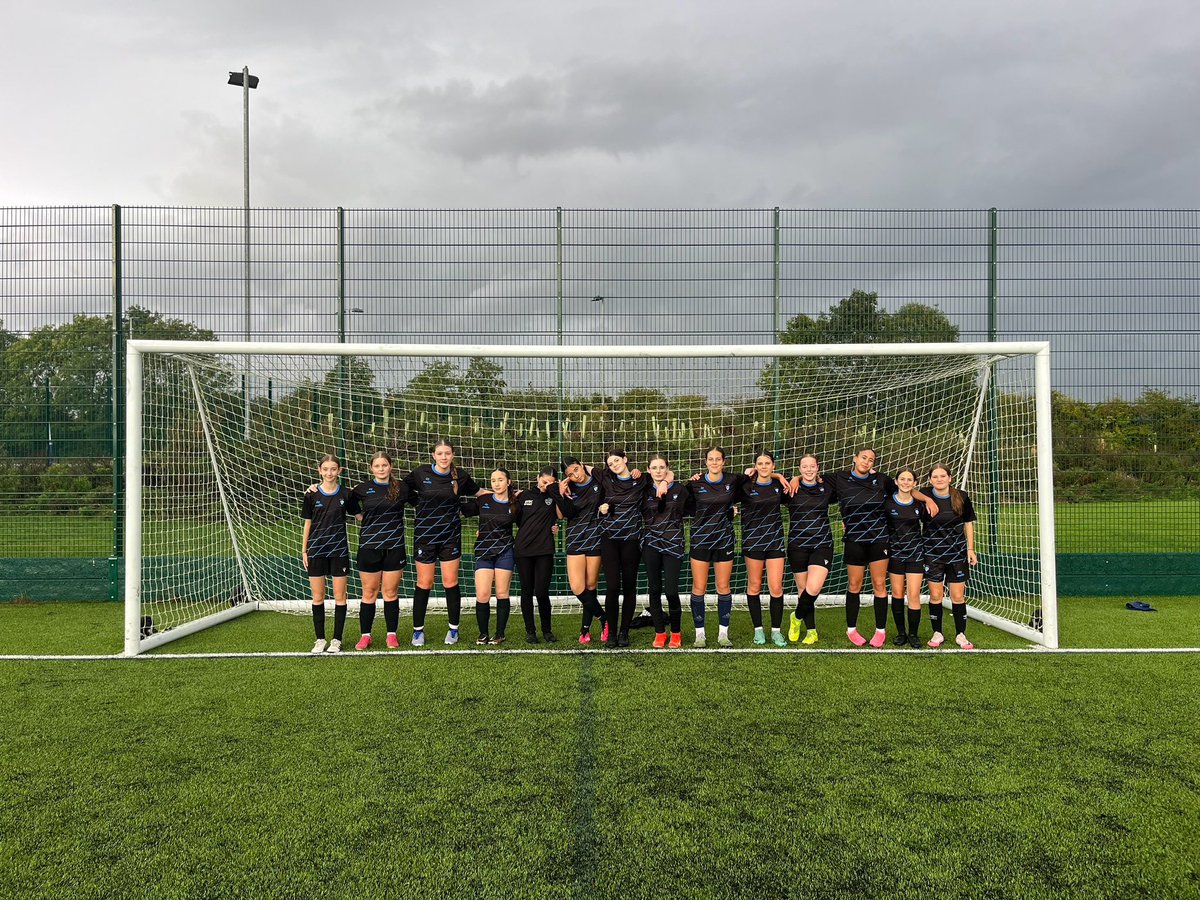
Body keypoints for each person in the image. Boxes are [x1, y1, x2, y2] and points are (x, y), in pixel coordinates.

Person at [827, 447, 937, 648]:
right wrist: (793, 479)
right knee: (854, 585)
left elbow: (906, 489)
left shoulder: (882, 480)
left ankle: (880, 631)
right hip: (854, 540)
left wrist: (928, 498)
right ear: (855, 458)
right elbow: (812, 477)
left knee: (879, 585)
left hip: (879, 540)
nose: (866, 461)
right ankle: (851, 629)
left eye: (870, 459)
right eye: (863, 457)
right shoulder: (839, 478)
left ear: (873, 464)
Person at [403, 439, 481, 647]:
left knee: (450, 581)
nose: (444, 457)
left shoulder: (461, 476)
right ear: (434, 455)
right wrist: (416, 503)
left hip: (450, 536)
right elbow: (400, 488)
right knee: (424, 583)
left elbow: (480, 494)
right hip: (425, 536)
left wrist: (510, 496)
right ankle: (418, 631)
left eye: (447, 453)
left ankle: (453, 629)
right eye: (440, 453)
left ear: (453, 455)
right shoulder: (421, 473)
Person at [346, 451, 409, 650]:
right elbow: (345, 498)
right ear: (371, 468)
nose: (381, 469)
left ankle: (392, 635)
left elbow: (422, 501)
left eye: (384, 465)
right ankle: (366, 635)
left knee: (390, 593)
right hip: (369, 547)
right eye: (377, 466)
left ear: (391, 467)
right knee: (369, 593)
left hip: (394, 547)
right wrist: (357, 514)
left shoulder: (402, 488)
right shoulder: (363, 489)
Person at [685, 446, 747, 647]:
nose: (714, 462)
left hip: (724, 540)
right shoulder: (695, 484)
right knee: (699, 587)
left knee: (723, 586)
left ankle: (723, 634)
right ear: (705, 462)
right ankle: (700, 634)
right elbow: (680, 501)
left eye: (718, 459)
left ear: (724, 461)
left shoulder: (733, 481)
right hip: (701, 540)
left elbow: (757, 477)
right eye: (710, 459)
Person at [596, 447, 656, 648]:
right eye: (610, 464)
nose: (614, 465)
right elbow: (579, 469)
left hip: (631, 540)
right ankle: (611, 633)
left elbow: (665, 473)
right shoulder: (606, 479)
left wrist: (664, 482)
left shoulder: (641, 479)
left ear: (625, 459)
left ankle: (624, 632)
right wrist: (601, 507)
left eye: (616, 461)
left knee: (629, 586)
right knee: (612, 586)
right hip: (609, 539)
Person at [921, 463, 978, 649]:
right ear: (930, 480)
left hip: (957, 554)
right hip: (932, 553)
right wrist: (927, 500)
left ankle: (961, 635)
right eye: (935, 476)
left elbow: (968, 523)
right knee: (936, 595)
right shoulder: (925, 495)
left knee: (958, 596)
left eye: (943, 476)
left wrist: (970, 549)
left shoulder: (961, 496)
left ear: (950, 478)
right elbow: (909, 491)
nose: (939, 479)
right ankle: (937, 633)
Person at [738, 451, 793, 647]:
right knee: (754, 586)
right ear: (755, 466)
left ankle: (776, 631)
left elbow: (798, 490)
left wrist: (789, 478)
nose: (763, 466)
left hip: (775, 541)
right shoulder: (744, 486)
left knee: (776, 587)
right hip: (753, 541)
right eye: (760, 463)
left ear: (773, 465)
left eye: (767, 463)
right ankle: (758, 630)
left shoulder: (779, 485)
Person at [300, 455, 353, 653]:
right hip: (316, 550)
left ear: (339, 471)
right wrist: (304, 550)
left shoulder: (346, 494)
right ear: (319, 471)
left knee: (340, 597)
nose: (329, 473)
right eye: (326, 469)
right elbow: (307, 523)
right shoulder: (311, 494)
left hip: (339, 551)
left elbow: (359, 515)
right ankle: (320, 639)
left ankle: (337, 640)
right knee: (318, 596)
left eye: (333, 469)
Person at [459, 469, 517, 646]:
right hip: (484, 551)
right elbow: (462, 509)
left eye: (500, 480)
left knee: (501, 593)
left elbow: (531, 521)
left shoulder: (516, 503)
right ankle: (483, 633)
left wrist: (552, 527)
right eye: (493, 480)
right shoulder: (483, 500)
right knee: (483, 594)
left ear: (508, 482)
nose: (496, 483)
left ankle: (499, 634)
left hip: (505, 551)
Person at [785, 454, 835, 646]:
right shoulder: (791, 489)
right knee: (802, 590)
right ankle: (811, 631)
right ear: (799, 469)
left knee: (813, 589)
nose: (808, 469)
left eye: (811, 466)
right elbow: (766, 483)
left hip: (822, 544)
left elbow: (850, 484)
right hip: (797, 544)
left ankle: (796, 618)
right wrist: (789, 479)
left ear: (817, 467)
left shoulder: (828, 487)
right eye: (804, 467)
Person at [514, 466, 567, 643]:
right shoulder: (524, 496)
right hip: (523, 550)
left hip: (544, 549)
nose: (546, 486)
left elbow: (561, 516)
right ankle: (530, 631)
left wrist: (556, 493)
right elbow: (512, 518)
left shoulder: (553, 497)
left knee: (542, 592)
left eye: (550, 483)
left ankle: (547, 630)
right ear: (538, 478)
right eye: (544, 482)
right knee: (526, 591)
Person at [558, 456, 608, 645]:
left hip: (595, 538)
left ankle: (585, 629)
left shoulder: (598, 481)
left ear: (581, 466)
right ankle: (604, 618)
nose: (575, 475)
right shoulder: (568, 489)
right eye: (569, 474)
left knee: (590, 586)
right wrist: (560, 495)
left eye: (576, 470)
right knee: (577, 588)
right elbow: (561, 515)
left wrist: (589, 467)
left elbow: (609, 477)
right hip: (575, 540)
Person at [641, 454, 688, 649]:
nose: (658, 471)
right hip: (651, 544)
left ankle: (675, 632)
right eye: (654, 467)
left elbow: (698, 507)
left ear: (668, 468)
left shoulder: (680, 490)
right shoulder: (643, 489)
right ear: (649, 469)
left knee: (671, 591)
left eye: (662, 467)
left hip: (673, 544)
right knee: (654, 589)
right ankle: (660, 632)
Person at [885, 468, 926, 650]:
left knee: (914, 595)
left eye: (910, 479)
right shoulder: (887, 503)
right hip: (895, 554)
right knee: (897, 594)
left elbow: (930, 526)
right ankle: (901, 633)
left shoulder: (919, 504)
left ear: (915, 483)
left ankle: (913, 635)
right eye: (902, 479)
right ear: (896, 481)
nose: (906, 482)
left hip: (916, 554)